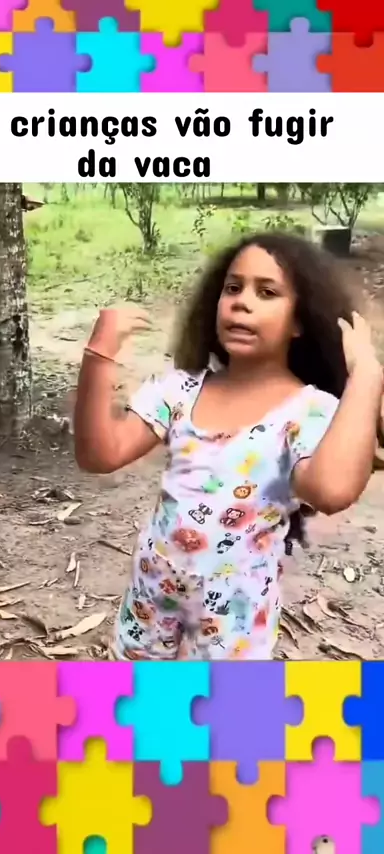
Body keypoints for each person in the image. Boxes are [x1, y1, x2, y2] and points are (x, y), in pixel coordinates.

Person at [74, 232, 384, 661]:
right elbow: (98, 454)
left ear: (299, 321)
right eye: (233, 288)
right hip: (151, 594)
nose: (242, 302)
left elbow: (331, 491)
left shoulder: (306, 412)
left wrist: (366, 376)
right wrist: (98, 356)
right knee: (138, 695)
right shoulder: (180, 391)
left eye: (267, 292)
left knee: (224, 703)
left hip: (235, 620)